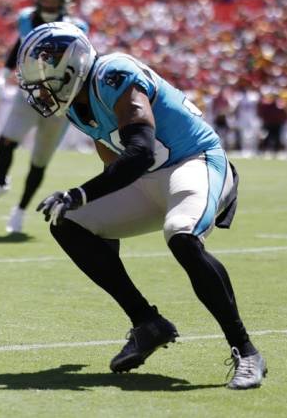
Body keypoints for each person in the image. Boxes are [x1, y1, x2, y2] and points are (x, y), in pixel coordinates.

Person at [16, 22, 266, 389]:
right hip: (146, 180)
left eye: (46, 77)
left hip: (194, 162)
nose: (41, 88)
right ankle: (147, 323)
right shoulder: (75, 105)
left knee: (181, 236)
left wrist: (80, 192)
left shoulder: (113, 74)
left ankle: (246, 351)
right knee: (67, 221)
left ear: (72, 66)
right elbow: (113, 162)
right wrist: (96, 222)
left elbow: (140, 151)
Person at [0, 0, 88, 234]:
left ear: (64, 2)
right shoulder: (27, 18)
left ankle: (20, 210)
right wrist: (2, 75)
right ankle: (1, 182)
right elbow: (19, 46)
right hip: (30, 92)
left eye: (53, 0)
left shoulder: (76, 27)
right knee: (6, 141)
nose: (48, 4)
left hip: (61, 100)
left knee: (39, 160)